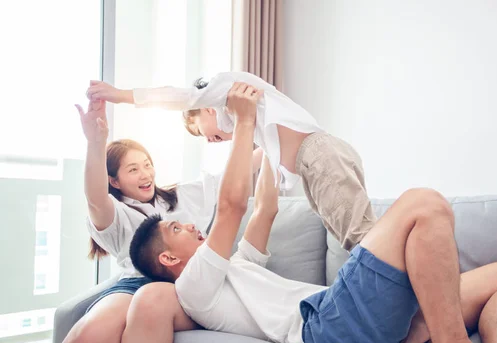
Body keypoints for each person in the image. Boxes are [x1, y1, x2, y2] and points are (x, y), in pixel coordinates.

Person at [128, 82, 497, 343]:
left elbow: (263, 206)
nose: (189, 225)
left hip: (355, 318)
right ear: (170, 257)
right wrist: (243, 121)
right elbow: (230, 207)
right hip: (329, 327)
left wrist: (267, 133)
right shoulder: (193, 288)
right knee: (424, 205)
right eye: (177, 228)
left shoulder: (235, 267)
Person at [50, 97, 262, 343]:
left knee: (151, 303)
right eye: (133, 169)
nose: (146, 174)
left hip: (182, 284)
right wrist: (95, 143)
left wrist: (262, 135)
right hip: (133, 285)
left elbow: (233, 176)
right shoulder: (117, 214)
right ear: (115, 180)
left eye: (147, 165)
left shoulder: (180, 196)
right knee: (86, 338)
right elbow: (96, 199)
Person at [86, 71, 376, 253]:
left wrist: (120, 96)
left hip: (319, 155)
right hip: (314, 163)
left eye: (203, 132)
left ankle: (413, 312)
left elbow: (178, 96)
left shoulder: (227, 87)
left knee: (364, 242)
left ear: (208, 109)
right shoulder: (260, 129)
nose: (211, 141)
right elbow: (247, 167)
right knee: (356, 242)